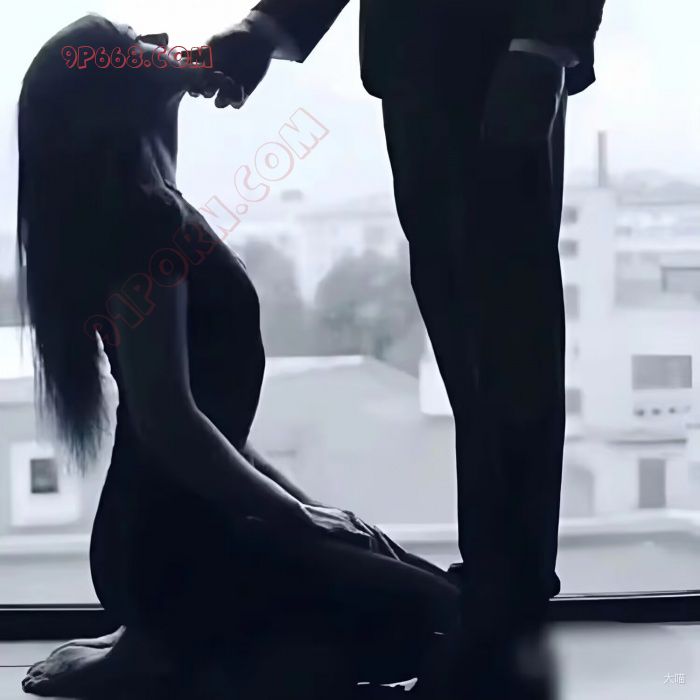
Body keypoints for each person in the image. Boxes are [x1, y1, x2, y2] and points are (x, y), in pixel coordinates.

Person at [18, 14, 460, 699]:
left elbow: (206, 422)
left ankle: (178, 649)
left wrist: (313, 512)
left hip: (171, 537)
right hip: (170, 550)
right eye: (133, 42)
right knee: (435, 625)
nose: (160, 41)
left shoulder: (149, 205)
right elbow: (168, 420)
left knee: (428, 600)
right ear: (111, 95)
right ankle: (168, 647)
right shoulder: (140, 223)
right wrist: (297, 518)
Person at [203, 1, 607, 698]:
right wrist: (266, 30)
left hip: (491, 58)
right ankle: (498, 598)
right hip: (439, 65)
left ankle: (502, 609)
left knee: (501, 336)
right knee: (474, 329)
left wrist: (545, 43)